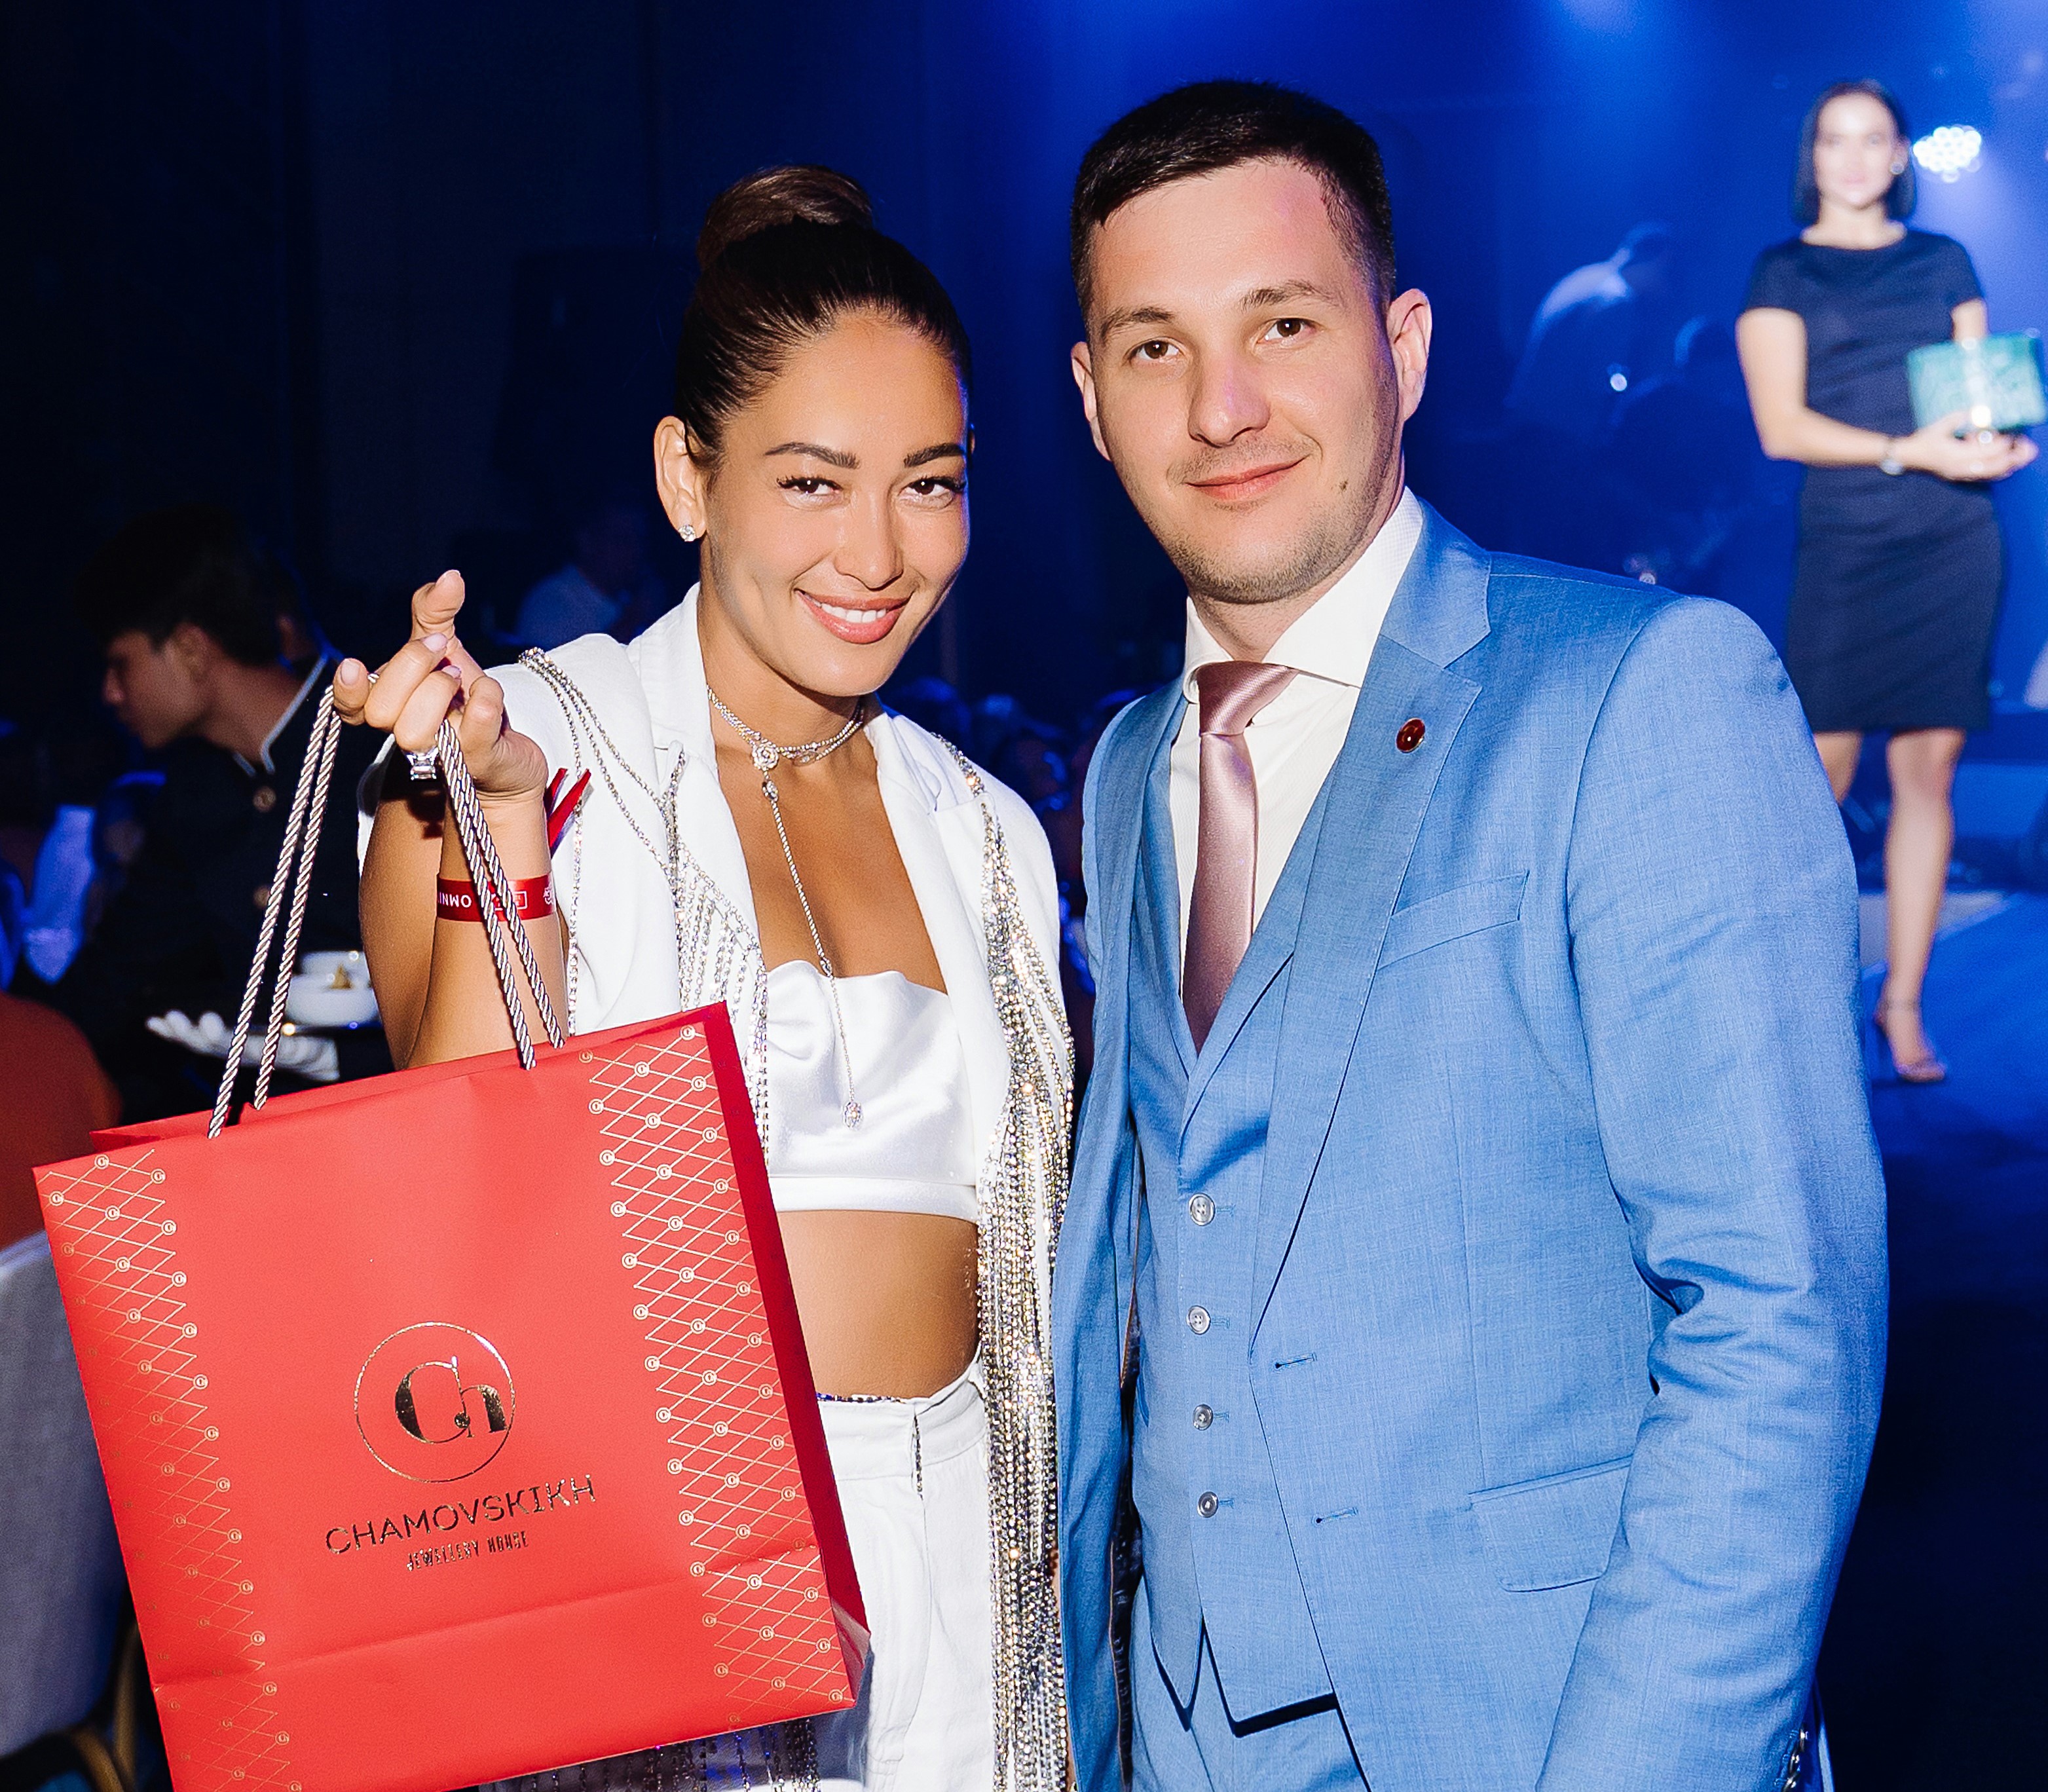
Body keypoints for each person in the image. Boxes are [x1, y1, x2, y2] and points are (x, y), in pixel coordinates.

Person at [1054, 81, 1886, 1792]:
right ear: (1087, 400)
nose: (1219, 406)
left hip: (1533, 1736)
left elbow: (1774, 1325)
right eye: (1152, 347)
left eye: (1282, 324)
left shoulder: (1643, 695)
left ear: (1406, 346)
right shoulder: (1128, 768)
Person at [337, 167, 1071, 1791]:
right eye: (812, 482)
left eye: (930, 484)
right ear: (689, 476)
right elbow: (447, 1232)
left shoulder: (986, 830)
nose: (877, 551)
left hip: (974, 1572)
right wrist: (499, 828)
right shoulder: (517, 741)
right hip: (659, 1583)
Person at [1736, 79, 2037, 1083]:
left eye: (1873, 139)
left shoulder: (1943, 260)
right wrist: (1910, 451)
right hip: (1846, 542)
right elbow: (1780, 428)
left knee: (1925, 778)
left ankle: (1900, 1005)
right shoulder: (1780, 270)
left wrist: (1994, 445)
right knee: (1812, 785)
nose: (1855, 157)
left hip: (1952, 539)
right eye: (1835, 139)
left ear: (1901, 154)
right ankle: (1786, 1001)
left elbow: (1978, 397)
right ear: (1811, 156)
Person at [22, 508, 388, 1119]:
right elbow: (112, 983)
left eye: (120, 663)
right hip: (275, 1132)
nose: (110, 693)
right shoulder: (195, 794)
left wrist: (354, 1061)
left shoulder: (381, 738)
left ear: (191, 649)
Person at [1502, 223, 1683, 569]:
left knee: (1533, 552)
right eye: (1671, 274)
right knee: (1564, 557)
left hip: (1528, 433)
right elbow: (1598, 383)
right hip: (1558, 443)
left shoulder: (1585, 279)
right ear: (1661, 260)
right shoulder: (1617, 300)